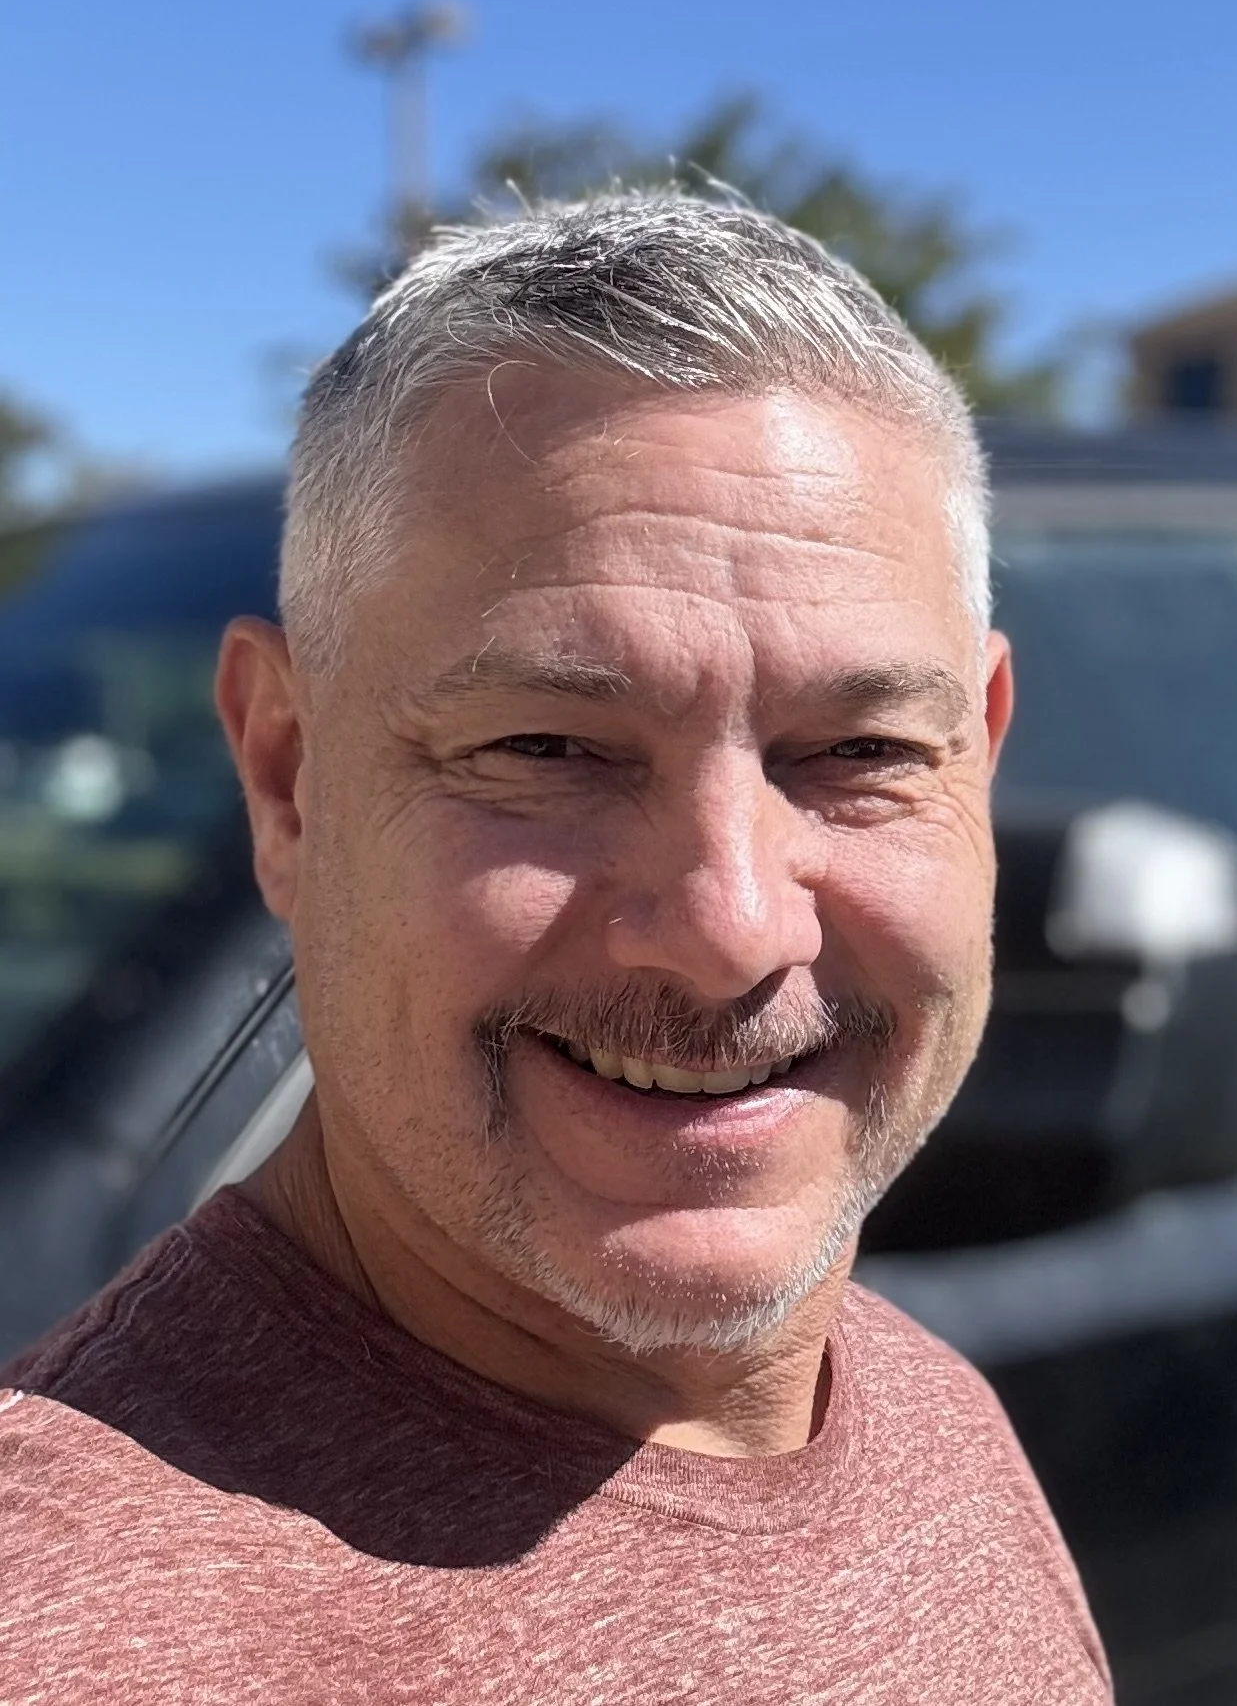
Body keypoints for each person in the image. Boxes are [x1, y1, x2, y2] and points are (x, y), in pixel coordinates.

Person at [0, 194, 1112, 1704]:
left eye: (853, 750)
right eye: (547, 746)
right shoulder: (71, 1632)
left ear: (976, 757)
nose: (730, 930)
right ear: (286, 777)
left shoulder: (922, 1407)